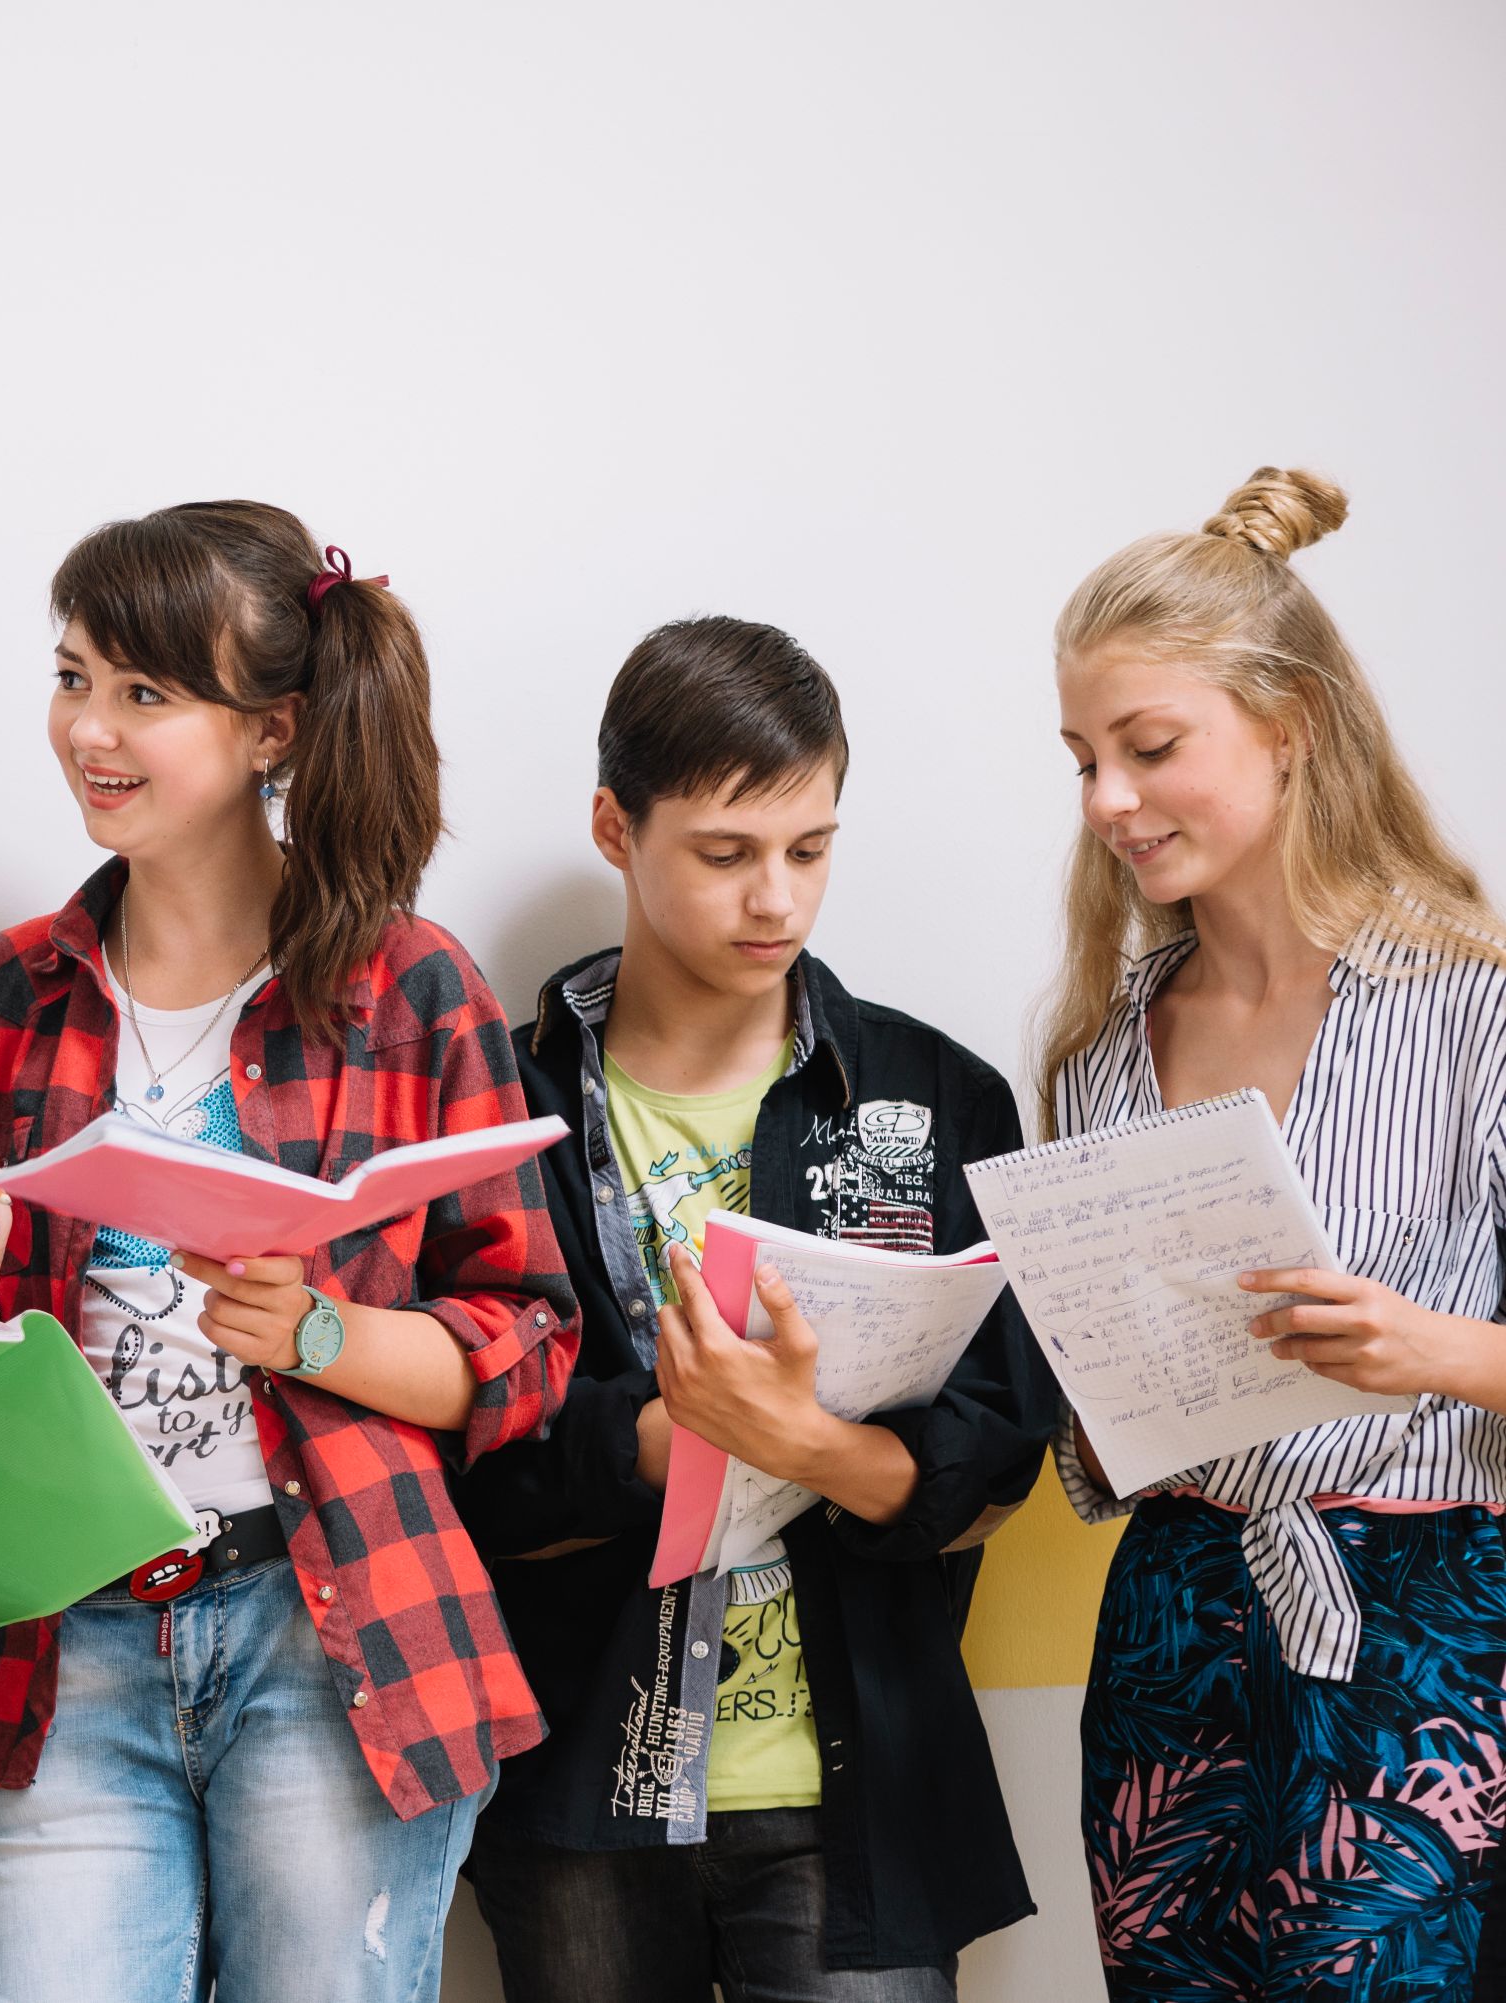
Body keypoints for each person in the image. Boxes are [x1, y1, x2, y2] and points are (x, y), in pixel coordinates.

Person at [0, 503, 577, 2002]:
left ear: (273, 730)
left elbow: (531, 1344)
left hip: (333, 1640)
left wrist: (320, 1336)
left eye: (144, 692)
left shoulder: (408, 987)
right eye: (72, 678)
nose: (88, 728)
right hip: (61, 1649)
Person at [456, 616, 1060, 1999]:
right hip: (576, 1784)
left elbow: (995, 1454)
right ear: (615, 827)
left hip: (863, 1777)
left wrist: (793, 1439)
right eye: (725, 854)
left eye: (810, 847)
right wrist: (663, 1434)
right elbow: (463, 1451)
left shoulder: (933, 1097)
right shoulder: (496, 1108)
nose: (776, 900)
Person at [1043, 469, 1506, 2000]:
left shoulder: (1473, 1004)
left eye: (1151, 748)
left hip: (1417, 1635)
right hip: (1173, 1633)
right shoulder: (1100, 1054)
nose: (1110, 799)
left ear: (1293, 725)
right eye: (1084, 759)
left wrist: (1425, 1348)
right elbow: (1097, 1439)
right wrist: (1098, 1411)